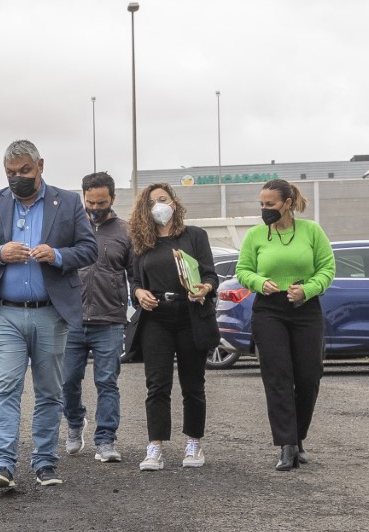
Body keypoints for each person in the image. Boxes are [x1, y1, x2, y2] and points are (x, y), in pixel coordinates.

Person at [0, 140, 98, 488]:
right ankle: (3, 464)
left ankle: (45, 462)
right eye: (11, 173)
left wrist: (58, 255)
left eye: (24, 171)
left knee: (50, 391)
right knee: (5, 388)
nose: (18, 178)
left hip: (50, 314)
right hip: (3, 314)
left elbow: (89, 249)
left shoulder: (66, 202)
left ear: (40, 165)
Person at [235, 179, 336, 470]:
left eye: (270, 205)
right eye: (262, 205)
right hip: (269, 309)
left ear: (288, 204)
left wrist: (309, 289)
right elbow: (243, 270)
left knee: (308, 376)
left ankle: (298, 437)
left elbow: (327, 268)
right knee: (277, 374)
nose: (265, 210)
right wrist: (258, 282)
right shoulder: (256, 235)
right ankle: (286, 445)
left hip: (305, 307)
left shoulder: (311, 231)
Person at [127, 183, 219, 471]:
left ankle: (194, 443)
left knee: (193, 384)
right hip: (157, 318)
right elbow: (135, 281)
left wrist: (204, 288)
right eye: (152, 202)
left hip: (190, 314)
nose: (159, 206)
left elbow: (211, 275)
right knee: (157, 384)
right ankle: (155, 446)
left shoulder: (195, 236)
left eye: (163, 199)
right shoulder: (142, 242)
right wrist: (138, 294)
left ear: (175, 203)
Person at [62, 171, 134, 463]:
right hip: (71, 320)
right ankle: (75, 421)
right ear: (83, 198)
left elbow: (135, 275)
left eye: (101, 202)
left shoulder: (125, 232)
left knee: (107, 382)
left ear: (113, 199)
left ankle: (105, 440)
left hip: (110, 320)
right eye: (90, 201)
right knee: (67, 381)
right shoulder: (70, 229)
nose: (95, 207)